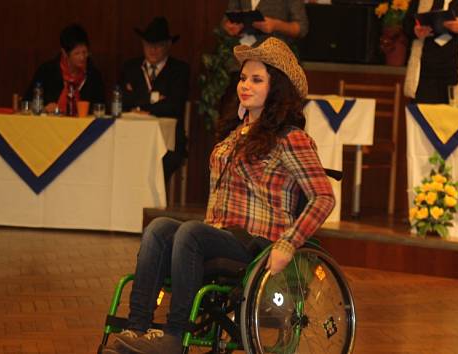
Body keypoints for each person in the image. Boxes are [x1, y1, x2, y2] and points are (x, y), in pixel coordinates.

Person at [103, 37, 334, 354]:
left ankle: (174, 335)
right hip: (221, 235)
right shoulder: (234, 135)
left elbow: (323, 197)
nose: (245, 85)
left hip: (258, 241)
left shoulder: (290, 138)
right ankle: (137, 327)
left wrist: (288, 243)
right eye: (242, 78)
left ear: (275, 88)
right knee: (159, 228)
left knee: (191, 232)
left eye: (256, 79)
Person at [120, 17, 190, 184]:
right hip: (130, 140)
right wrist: (155, 100)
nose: (152, 50)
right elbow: (121, 101)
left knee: (159, 169)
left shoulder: (179, 70)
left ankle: (154, 208)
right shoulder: (130, 67)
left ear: (168, 46)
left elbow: (174, 106)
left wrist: (140, 105)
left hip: (167, 144)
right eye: (148, 45)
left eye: (157, 46)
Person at [24, 24, 105, 114]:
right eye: (77, 53)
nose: (82, 57)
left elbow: (101, 108)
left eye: (85, 52)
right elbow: (27, 104)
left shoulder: (93, 75)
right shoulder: (47, 71)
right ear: (64, 53)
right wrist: (44, 109)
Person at [222, 0, 309, 46]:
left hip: (275, 59)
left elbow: (301, 28)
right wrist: (230, 26)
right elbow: (226, 20)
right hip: (242, 57)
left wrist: (276, 25)